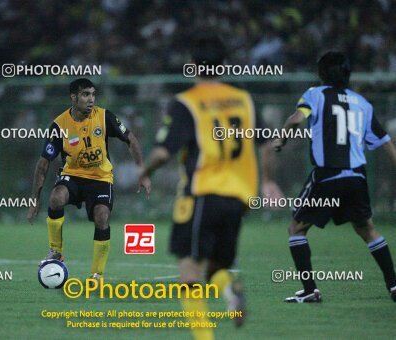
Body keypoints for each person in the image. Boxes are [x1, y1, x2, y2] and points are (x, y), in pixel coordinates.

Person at [139, 36, 282, 337]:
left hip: (202, 193)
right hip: (238, 198)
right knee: (216, 267)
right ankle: (230, 291)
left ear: (191, 66)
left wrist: (144, 170)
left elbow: (164, 152)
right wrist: (268, 181)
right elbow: (269, 143)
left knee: (189, 273)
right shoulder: (244, 99)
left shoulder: (187, 102)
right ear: (223, 65)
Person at [273, 51, 396, 303]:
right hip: (357, 178)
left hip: (328, 175)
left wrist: (281, 137)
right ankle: (394, 285)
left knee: (296, 228)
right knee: (367, 229)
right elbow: (385, 142)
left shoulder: (315, 95)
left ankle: (310, 291)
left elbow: (296, 118)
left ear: (321, 74)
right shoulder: (363, 103)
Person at [28, 78, 151, 283]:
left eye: (93, 94)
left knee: (102, 216)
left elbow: (131, 140)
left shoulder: (104, 117)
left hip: (101, 178)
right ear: (73, 97)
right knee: (56, 198)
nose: (91, 99)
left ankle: (96, 275)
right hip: (73, 175)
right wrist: (35, 200)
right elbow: (43, 164)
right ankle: (56, 251)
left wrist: (143, 172)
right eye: (86, 94)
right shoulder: (59, 125)